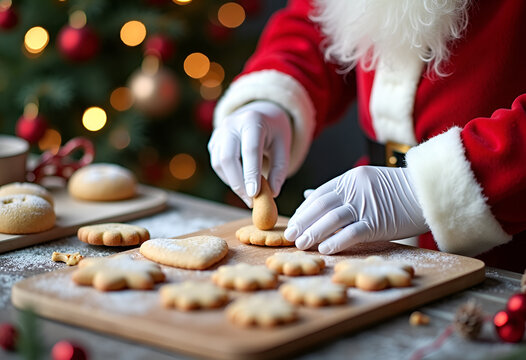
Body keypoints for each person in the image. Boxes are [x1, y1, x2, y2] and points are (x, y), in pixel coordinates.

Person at [207, 0, 526, 273]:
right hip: (368, 243)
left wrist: (434, 188)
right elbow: (323, 18)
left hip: (506, 256)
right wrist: (273, 97)